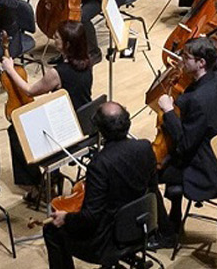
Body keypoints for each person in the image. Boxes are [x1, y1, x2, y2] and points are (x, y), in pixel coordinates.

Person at [42, 101, 158, 269]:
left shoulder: (100, 164)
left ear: (101, 130)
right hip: (142, 225)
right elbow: (152, 188)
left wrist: (66, 217)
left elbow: (91, 217)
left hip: (108, 241)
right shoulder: (145, 147)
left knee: (51, 230)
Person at [4, 18, 99, 205]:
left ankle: (34, 185)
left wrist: (10, 69)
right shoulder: (87, 62)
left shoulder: (56, 73)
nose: (54, 39)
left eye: (57, 38)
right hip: (85, 122)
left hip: (66, 129)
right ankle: (53, 178)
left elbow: (29, 90)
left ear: (68, 44)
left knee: (15, 130)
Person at [157, 36, 217, 234]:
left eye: (186, 58)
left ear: (201, 63)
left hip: (205, 169)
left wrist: (168, 111)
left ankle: (169, 230)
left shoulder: (198, 101)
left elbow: (184, 144)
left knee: (149, 175)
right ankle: (174, 215)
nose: (182, 61)